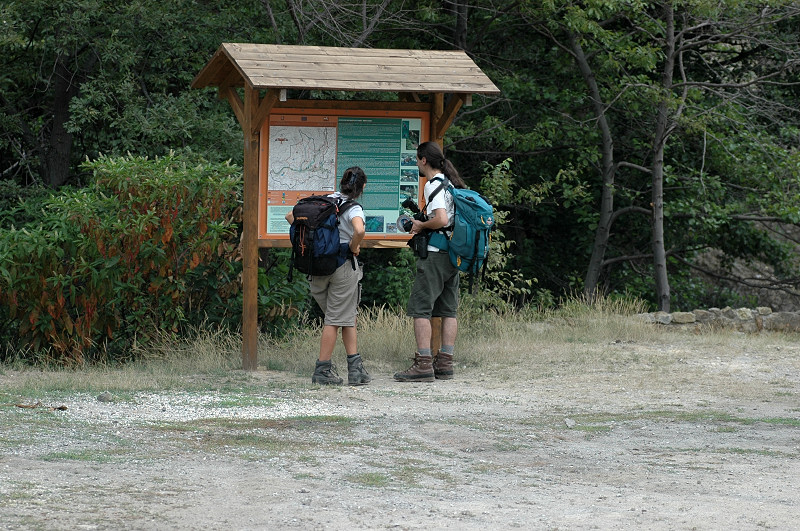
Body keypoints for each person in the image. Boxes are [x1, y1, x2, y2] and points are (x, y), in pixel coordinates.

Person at [285, 167, 371, 386]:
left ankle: (356, 369)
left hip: (317, 266)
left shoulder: (326, 201)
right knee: (334, 319)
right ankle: (322, 370)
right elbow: (359, 231)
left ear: (341, 183)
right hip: (342, 267)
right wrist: (354, 246)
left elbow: (290, 216)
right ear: (362, 187)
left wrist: (315, 243)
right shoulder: (354, 208)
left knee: (346, 315)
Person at [394, 142, 465, 382]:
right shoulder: (451, 183)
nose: (416, 163)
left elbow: (441, 219)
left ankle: (423, 363)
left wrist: (421, 225)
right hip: (453, 254)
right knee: (448, 310)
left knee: (421, 309)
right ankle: (445, 362)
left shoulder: (433, 185)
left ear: (424, 160)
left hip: (435, 254)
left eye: (417, 159)